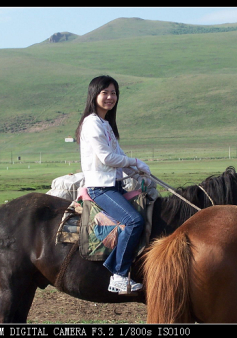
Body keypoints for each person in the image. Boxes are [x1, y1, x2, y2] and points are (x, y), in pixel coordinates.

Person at [75, 75, 151, 293]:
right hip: (101, 188)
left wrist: (137, 170)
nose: (110, 97)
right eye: (105, 92)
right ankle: (118, 275)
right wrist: (135, 162)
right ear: (94, 95)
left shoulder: (105, 124)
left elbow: (118, 156)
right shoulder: (92, 124)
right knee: (134, 221)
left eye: (114, 93)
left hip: (114, 186)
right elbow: (107, 158)